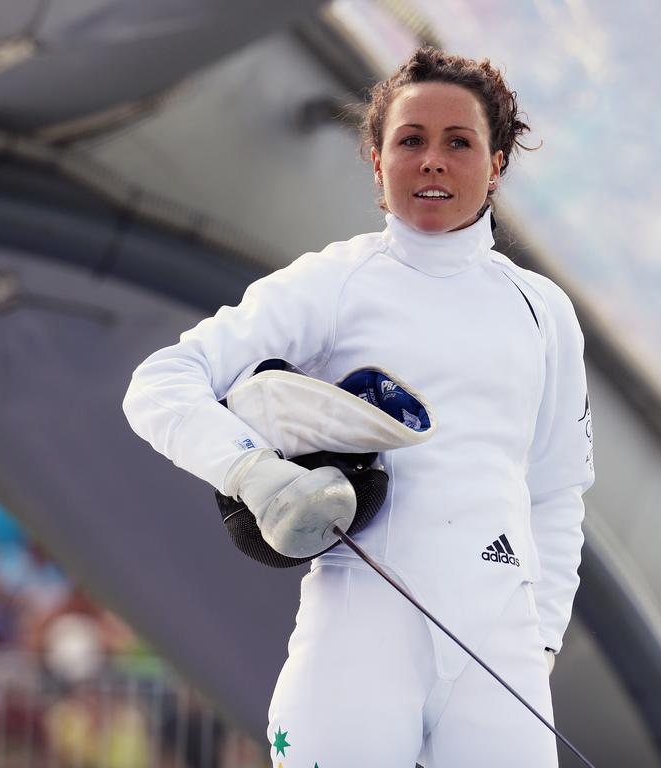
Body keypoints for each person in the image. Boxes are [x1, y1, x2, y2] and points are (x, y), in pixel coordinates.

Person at [123, 47, 594, 768]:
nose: (433, 161)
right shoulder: (334, 283)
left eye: (458, 142)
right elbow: (161, 381)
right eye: (411, 141)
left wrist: (540, 639)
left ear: (496, 164)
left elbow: (557, 490)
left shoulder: (543, 312)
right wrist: (252, 472)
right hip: (359, 634)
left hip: (502, 645)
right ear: (376, 161)